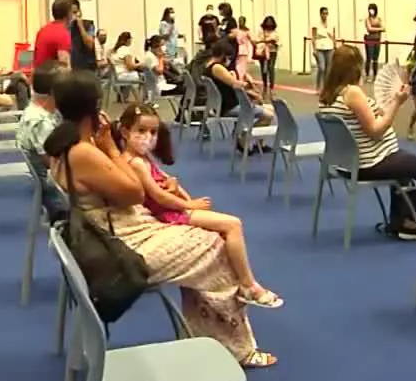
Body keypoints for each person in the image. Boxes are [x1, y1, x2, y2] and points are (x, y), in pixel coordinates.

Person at [44, 72, 276, 368]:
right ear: (95, 107)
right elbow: (134, 194)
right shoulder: (83, 151)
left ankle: (206, 336)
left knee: (204, 239)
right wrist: (112, 149)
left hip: (107, 234)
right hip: (121, 244)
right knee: (216, 247)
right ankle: (234, 349)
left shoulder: (65, 145)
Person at [115, 104, 282, 308]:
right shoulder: (136, 163)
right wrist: (189, 204)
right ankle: (248, 285)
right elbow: (159, 197)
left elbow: (166, 183)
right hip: (168, 213)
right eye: (141, 131)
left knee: (223, 227)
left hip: (173, 209)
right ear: (125, 132)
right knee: (233, 225)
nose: (148, 137)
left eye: (153, 132)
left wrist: (175, 187)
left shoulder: (142, 158)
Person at [318, 44, 416, 240]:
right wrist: (397, 103)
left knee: (404, 169)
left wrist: (378, 111)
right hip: (370, 162)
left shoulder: (327, 95)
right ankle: (410, 219)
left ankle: (400, 220)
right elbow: (375, 131)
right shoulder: (352, 93)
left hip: (345, 163)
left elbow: (356, 122)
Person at [16, 61, 68, 219]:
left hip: (49, 179)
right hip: (52, 189)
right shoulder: (41, 123)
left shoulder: (37, 111)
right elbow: (52, 163)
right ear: (55, 92)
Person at [204, 40, 274, 151]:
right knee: (269, 115)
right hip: (229, 107)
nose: (230, 59)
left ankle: (253, 140)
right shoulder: (217, 68)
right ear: (223, 55)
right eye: (228, 56)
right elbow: (237, 85)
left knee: (267, 108)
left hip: (223, 105)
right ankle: (244, 136)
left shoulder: (208, 66)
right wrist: (250, 85)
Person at [34, 0, 74, 68]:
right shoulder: (63, 34)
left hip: (39, 74)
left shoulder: (42, 30)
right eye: (72, 12)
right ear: (69, 14)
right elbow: (64, 66)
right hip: (51, 74)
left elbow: (36, 59)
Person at [68, 0, 97, 72]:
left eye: (75, 12)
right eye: (71, 13)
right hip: (70, 67)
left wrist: (80, 26)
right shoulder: (63, 27)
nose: (73, 16)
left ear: (79, 12)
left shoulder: (88, 25)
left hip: (85, 67)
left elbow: (90, 44)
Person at [311, 6, 335, 90]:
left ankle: (325, 87)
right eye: (323, 13)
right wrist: (314, 49)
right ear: (320, 14)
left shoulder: (331, 24)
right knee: (322, 67)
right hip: (319, 48)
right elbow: (313, 37)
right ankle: (318, 86)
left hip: (330, 47)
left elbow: (333, 36)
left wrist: (335, 46)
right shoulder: (316, 24)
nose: (325, 15)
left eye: (326, 13)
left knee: (328, 69)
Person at [256, 17, 279, 100]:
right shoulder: (261, 31)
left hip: (272, 51)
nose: (269, 24)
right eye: (268, 22)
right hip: (263, 52)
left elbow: (278, 41)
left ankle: (271, 88)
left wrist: (273, 42)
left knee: (271, 68)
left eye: (271, 22)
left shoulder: (275, 32)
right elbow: (257, 40)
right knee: (264, 70)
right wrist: (265, 41)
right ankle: (265, 86)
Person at [363, 3, 383, 83]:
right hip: (369, 40)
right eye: (370, 9)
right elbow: (369, 29)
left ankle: (375, 75)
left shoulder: (378, 18)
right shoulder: (367, 19)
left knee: (375, 58)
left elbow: (384, 28)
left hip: (377, 40)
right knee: (369, 57)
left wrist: (375, 29)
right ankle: (367, 75)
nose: (371, 11)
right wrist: (378, 29)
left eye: (372, 9)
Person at [234, 17, 255, 83]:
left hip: (242, 50)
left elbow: (252, 41)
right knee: (239, 67)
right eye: (240, 21)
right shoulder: (238, 30)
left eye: (242, 21)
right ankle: (241, 80)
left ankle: (241, 80)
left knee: (242, 67)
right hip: (239, 50)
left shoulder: (245, 31)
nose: (241, 22)